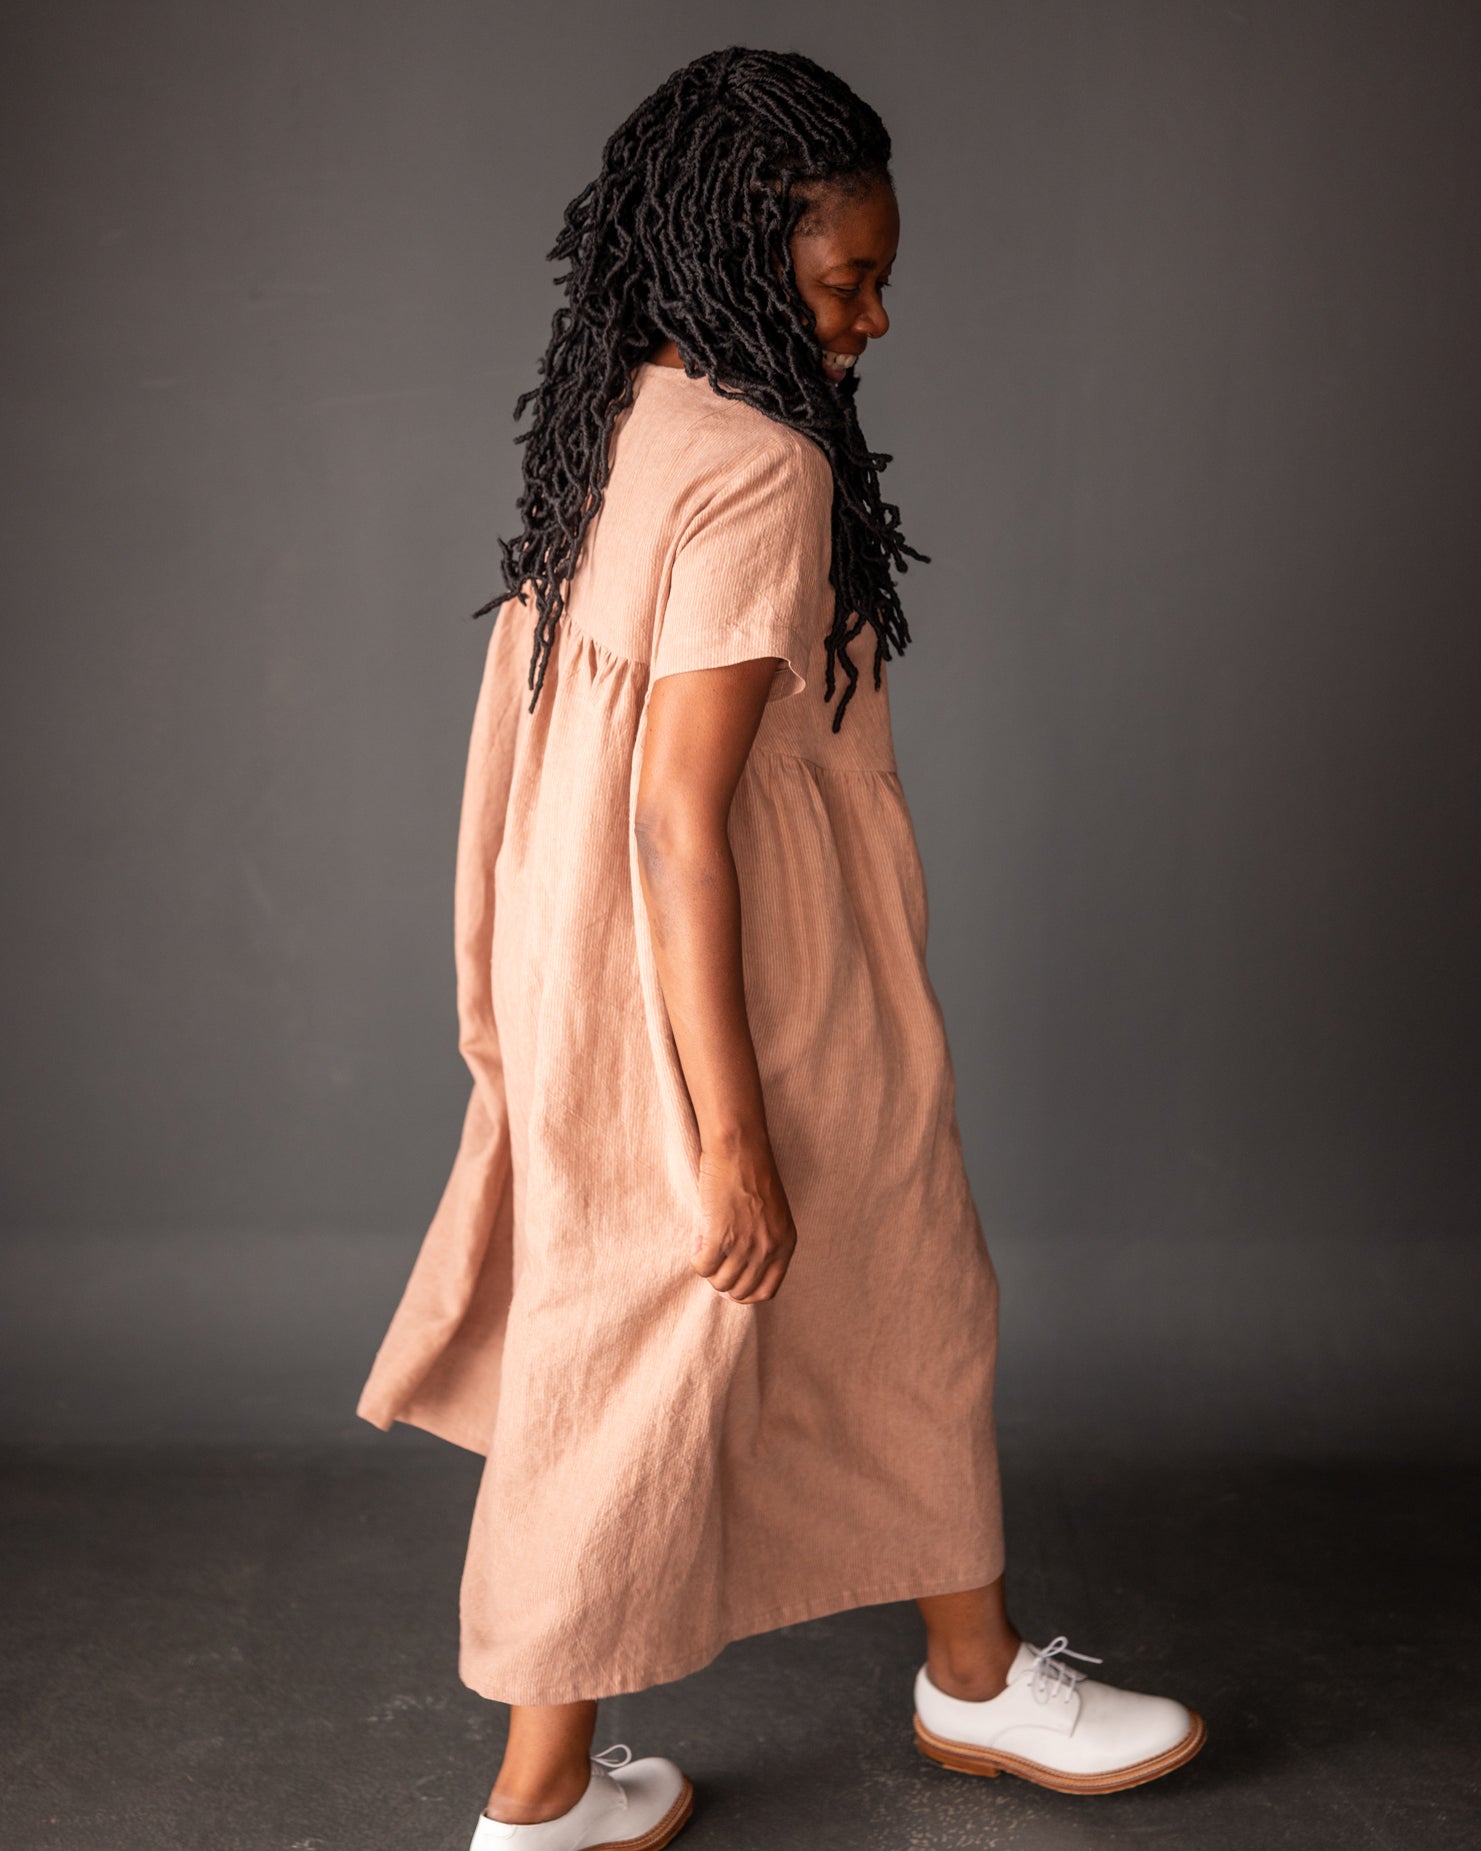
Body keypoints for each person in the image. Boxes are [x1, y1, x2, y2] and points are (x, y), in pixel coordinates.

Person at [356, 46, 1206, 1850]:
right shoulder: (761, 466)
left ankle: (937, 1682)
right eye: (844, 283)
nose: (873, 319)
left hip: (581, 951)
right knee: (721, 1319)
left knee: (790, 1305)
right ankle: (551, 1794)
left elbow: (551, 744)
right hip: (744, 962)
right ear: (744, 253)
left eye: (880, 282)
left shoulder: (622, 413)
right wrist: (728, 1129)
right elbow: (683, 811)